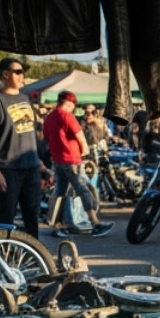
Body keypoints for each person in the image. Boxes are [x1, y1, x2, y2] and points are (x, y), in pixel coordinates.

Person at [0, 56, 48, 236]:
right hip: (8, 170)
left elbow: (29, 138)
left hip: (31, 168)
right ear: (5, 75)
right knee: (5, 219)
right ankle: (2, 259)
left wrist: (40, 166)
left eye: (22, 72)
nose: (22, 75)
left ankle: (33, 259)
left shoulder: (25, 98)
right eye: (18, 72)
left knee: (32, 218)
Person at [42, 89, 111, 236]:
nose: (74, 108)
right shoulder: (68, 116)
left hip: (58, 160)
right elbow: (81, 139)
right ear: (69, 103)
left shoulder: (49, 118)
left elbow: (46, 139)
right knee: (82, 189)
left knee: (59, 192)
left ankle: (56, 225)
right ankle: (95, 223)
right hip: (71, 159)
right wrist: (84, 152)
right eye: (74, 104)